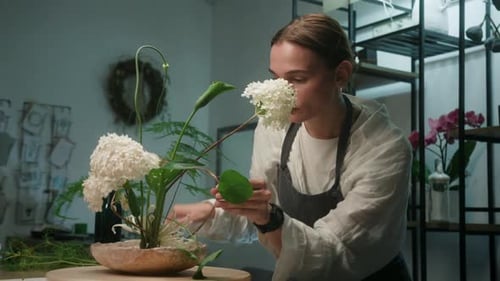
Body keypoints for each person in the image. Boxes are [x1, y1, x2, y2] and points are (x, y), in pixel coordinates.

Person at [172, 13, 412, 281]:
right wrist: (213, 212)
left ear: (341, 74)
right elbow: (262, 215)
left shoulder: (384, 148)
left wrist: (268, 216)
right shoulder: (274, 127)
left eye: (297, 79)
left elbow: (335, 251)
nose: (281, 94)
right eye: (276, 78)